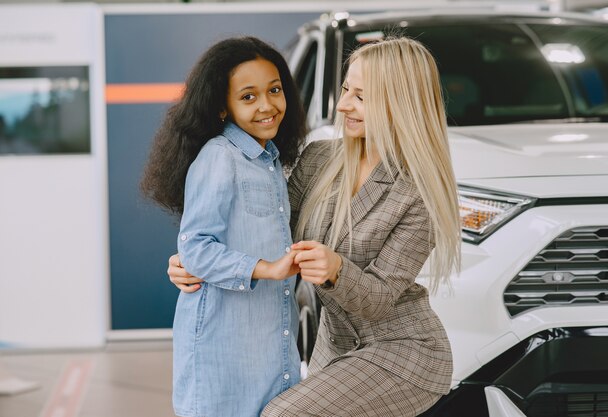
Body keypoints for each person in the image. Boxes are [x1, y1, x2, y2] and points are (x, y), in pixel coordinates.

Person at [169, 37, 461, 417]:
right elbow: (273, 235)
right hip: (335, 349)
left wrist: (336, 269)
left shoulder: (418, 193)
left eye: (361, 96)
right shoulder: (319, 159)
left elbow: (379, 299)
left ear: (399, 103)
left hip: (403, 352)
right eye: (344, 90)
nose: (342, 106)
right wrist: (196, 256)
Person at [140, 36, 307, 417]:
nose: (267, 105)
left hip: (268, 348)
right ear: (222, 108)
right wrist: (267, 268)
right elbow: (196, 247)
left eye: (275, 90)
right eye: (248, 97)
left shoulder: (270, 162)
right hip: (223, 351)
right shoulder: (219, 157)